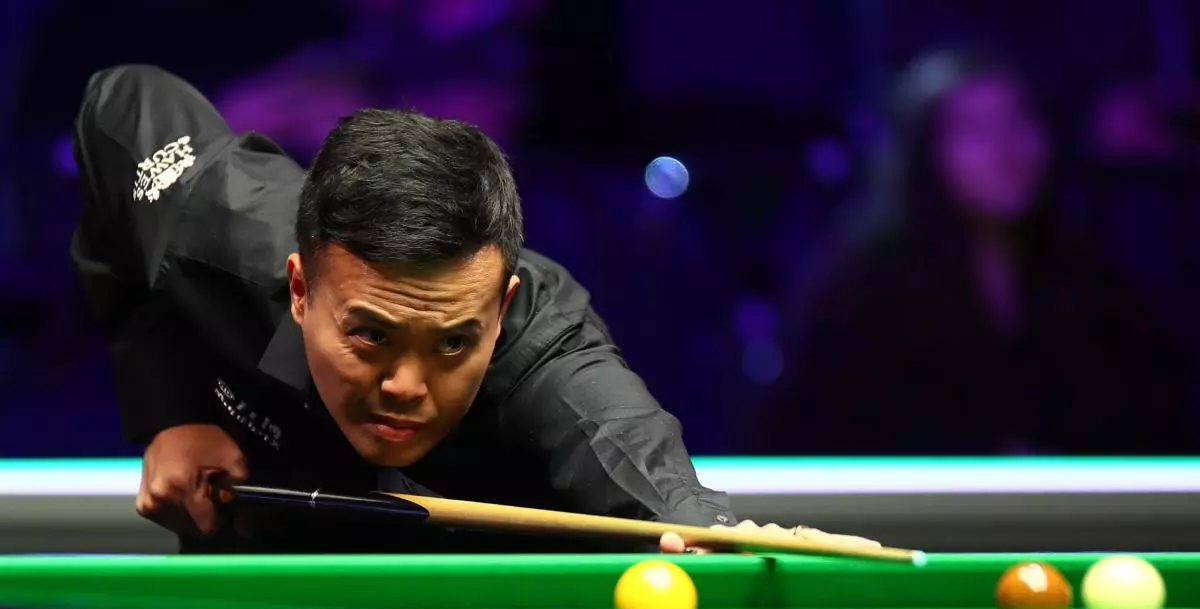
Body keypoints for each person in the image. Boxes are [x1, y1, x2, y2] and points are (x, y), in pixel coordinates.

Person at [71, 64, 871, 555]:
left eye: (453, 343)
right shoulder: (214, 221)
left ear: (503, 306)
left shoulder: (543, 349)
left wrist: (703, 524)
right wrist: (171, 410)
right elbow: (118, 104)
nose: (407, 386)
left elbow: (624, 445)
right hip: (254, 580)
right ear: (301, 286)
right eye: (371, 335)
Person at [759, 50, 1195, 456]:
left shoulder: (1091, 282)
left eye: (1018, 122)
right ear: (925, 152)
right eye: (975, 130)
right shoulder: (858, 296)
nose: (1006, 150)